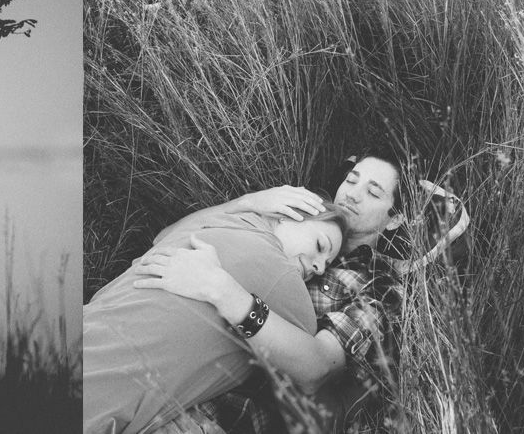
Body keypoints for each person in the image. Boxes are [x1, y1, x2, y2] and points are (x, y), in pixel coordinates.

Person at [133, 153, 407, 434]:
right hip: (160, 366)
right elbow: (165, 238)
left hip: (217, 417)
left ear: (394, 219)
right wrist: (248, 202)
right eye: (351, 180)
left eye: (373, 192)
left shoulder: (380, 284)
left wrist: (223, 291)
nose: (353, 194)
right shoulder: (299, 216)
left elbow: (318, 367)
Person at [84, 196, 349, 434]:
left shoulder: (222, 222)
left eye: (326, 264)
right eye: (320, 245)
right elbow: (316, 370)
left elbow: (162, 235)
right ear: (288, 215)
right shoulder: (284, 280)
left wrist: (247, 201)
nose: (319, 265)